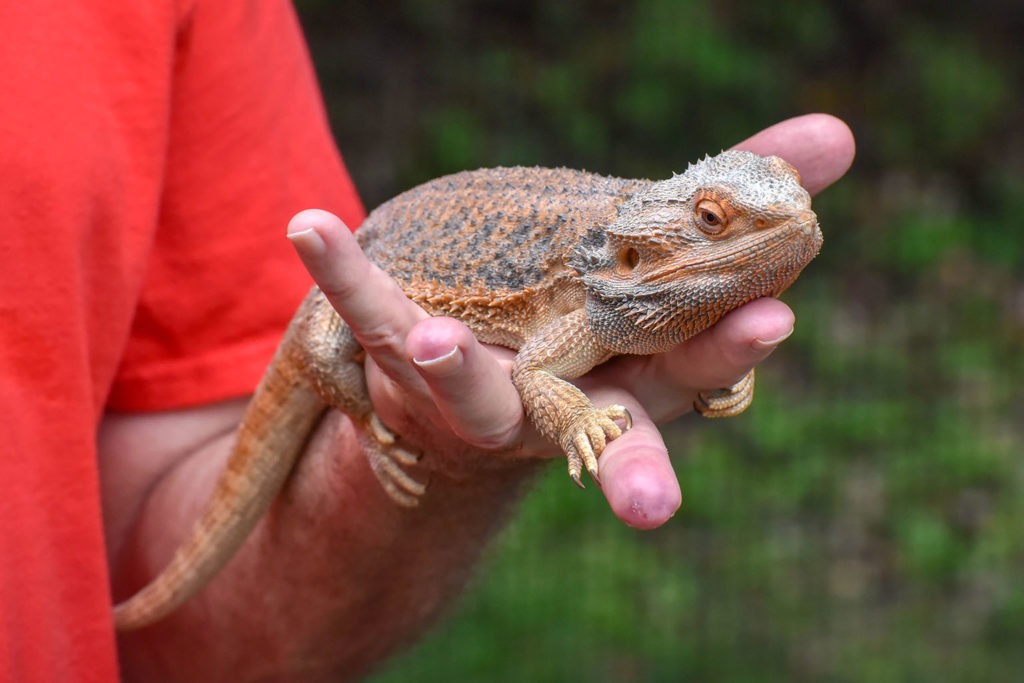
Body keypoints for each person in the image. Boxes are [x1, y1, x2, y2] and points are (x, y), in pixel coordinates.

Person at [0, 1, 855, 681]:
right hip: (360, 293)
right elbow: (539, 372)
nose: (777, 227)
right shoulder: (599, 302)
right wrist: (546, 420)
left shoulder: (642, 281)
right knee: (328, 345)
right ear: (635, 250)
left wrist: (710, 361)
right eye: (712, 222)